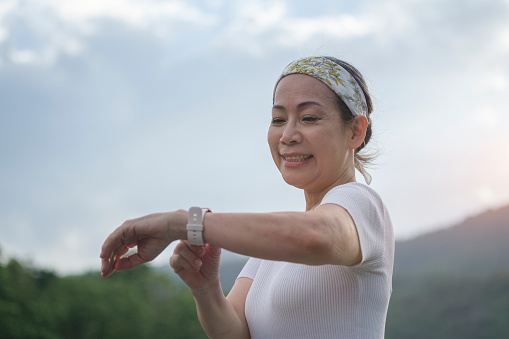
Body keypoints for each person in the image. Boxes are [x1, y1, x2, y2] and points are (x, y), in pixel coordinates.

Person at [100, 56, 394, 339]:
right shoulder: (272, 246)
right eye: (278, 119)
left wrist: (180, 224)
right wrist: (207, 290)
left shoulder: (361, 203)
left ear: (355, 131)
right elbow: (236, 333)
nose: (287, 135)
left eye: (309, 117)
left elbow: (316, 237)